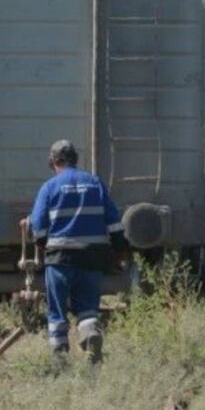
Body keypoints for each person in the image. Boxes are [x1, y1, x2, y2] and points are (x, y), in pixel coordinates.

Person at [23, 139, 127, 364]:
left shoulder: (49, 187)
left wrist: (42, 244)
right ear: (75, 160)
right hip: (92, 258)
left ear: (54, 162)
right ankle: (90, 334)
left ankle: (59, 357)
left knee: (57, 311)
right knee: (88, 307)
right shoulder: (95, 183)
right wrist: (120, 250)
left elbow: (38, 226)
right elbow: (114, 223)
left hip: (60, 259)